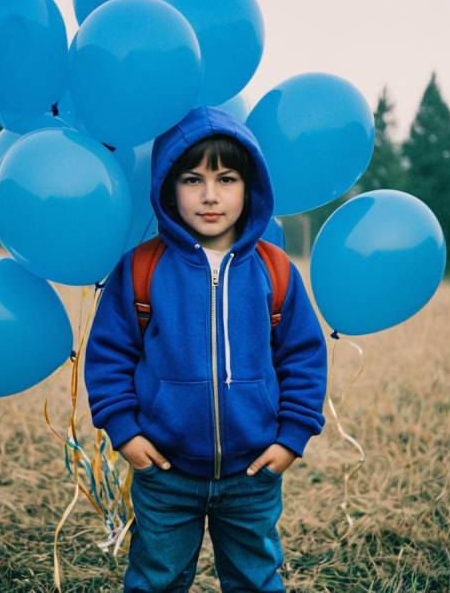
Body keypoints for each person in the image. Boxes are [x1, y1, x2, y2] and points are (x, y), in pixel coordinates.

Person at [84, 105, 328, 592]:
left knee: (256, 580)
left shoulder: (275, 270)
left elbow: (303, 357)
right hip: (164, 472)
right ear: (168, 188)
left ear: (250, 186)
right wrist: (125, 432)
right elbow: (109, 356)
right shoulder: (141, 269)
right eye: (193, 179)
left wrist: (292, 437)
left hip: (253, 474)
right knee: (157, 580)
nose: (210, 196)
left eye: (228, 179)